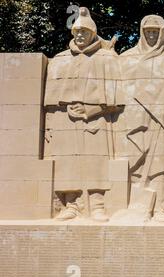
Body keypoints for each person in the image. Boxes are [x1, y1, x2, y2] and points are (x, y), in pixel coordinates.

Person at [44, 7, 124, 221]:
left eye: (84, 32)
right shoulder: (61, 59)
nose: (80, 36)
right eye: (76, 32)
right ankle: (71, 204)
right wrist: (51, 124)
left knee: (96, 163)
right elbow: (50, 102)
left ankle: (97, 205)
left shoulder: (107, 58)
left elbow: (116, 99)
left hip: (96, 119)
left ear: (92, 34)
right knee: (67, 163)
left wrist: (92, 109)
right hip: (65, 120)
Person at [118, 15, 164, 222]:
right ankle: (135, 206)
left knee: (162, 166)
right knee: (135, 163)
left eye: (155, 31)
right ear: (141, 32)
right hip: (135, 122)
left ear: (163, 33)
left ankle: (162, 208)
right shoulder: (126, 59)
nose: (151, 34)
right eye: (147, 30)